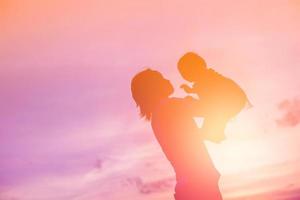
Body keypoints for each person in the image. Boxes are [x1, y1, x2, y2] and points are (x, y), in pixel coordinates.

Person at [131, 69, 223, 200]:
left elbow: (185, 141)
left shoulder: (160, 114)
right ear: (153, 88)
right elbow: (211, 107)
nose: (167, 80)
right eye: (161, 78)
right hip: (199, 188)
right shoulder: (169, 106)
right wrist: (207, 85)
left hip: (193, 187)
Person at [178, 52, 251, 142]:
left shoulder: (205, 77)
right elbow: (205, 89)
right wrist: (190, 90)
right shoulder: (205, 77)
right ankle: (215, 133)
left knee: (213, 111)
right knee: (215, 114)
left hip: (230, 99)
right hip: (231, 101)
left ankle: (213, 132)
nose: (186, 77)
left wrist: (191, 94)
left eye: (186, 73)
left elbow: (207, 89)